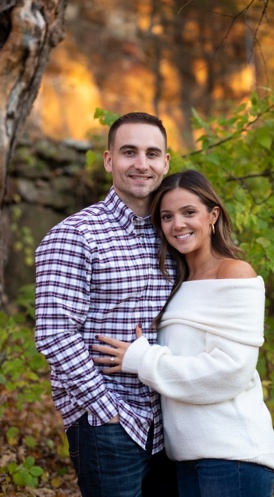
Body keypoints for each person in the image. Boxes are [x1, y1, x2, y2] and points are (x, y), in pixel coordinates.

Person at [93, 170, 274, 496]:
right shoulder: (177, 284)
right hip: (184, 457)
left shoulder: (234, 273)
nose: (177, 224)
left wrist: (140, 358)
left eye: (189, 212)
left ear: (213, 215)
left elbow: (230, 372)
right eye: (167, 216)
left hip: (233, 453)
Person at [34, 111, 178, 497]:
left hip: (170, 424)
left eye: (152, 153)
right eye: (129, 152)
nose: (141, 164)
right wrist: (105, 409)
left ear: (166, 162)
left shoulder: (173, 235)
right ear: (109, 160)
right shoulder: (75, 235)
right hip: (107, 423)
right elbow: (54, 333)